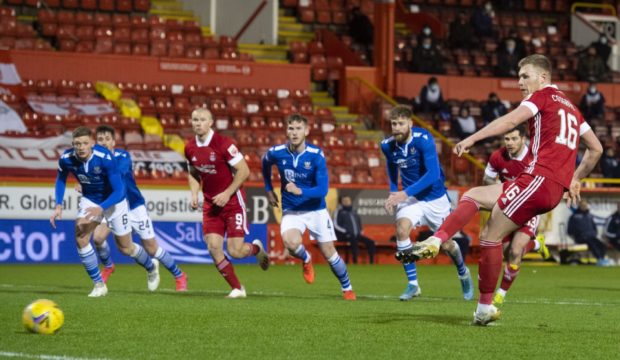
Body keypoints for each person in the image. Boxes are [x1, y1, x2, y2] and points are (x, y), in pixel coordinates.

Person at [398, 54, 603, 325]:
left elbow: (509, 121)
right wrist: (575, 178)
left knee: (490, 236)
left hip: (538, 180)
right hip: (545, 185)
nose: (520, 82)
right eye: (518, 77)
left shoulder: (540, 97)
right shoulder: (573, 109)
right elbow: (596, 148)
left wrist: (472, 138)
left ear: (542, 78)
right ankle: (438, 240)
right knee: (473, 195)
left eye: (524, 76)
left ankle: (483, 307)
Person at [50, 126, 160, 297]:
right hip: (91, 199)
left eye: (85, 143)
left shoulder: (105, 158)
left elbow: (119, 191)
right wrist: (58, 205)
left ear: (92, 143)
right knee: (81, 235)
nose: (81, 147)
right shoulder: (66, 158)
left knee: (125, 247)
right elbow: (61, 178)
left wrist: (101, 208)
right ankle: (99, 284)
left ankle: (151, 267)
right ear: (73, 144)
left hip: (114, 202)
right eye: (77, 144)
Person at [381, 105, 474, 301]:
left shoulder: (423, 139)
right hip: (412, 199)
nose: (396, 128)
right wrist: (392, 190)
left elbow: (432, 175)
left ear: (410, 124)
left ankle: (463, 271)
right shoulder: (387, 145)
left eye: (400, 123)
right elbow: (391, 165)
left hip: (435, 198)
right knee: (401, 229)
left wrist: (402, 193)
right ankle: (413, 284)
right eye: (393, 124)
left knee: (447, 245)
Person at [262, 113, 356, 300]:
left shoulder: (315, 155)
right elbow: (265, 163)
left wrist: (300, 191)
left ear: (306, 131)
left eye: (298, 129)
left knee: (329, 252)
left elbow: (322, 190)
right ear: (286, 130)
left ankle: (347, 288)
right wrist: (268, 189)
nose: (294, 132)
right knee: (290, 243)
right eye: (291, 128)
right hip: (292, 210)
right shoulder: (276, 152)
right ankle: (306, 259)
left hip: (316, 210)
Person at [185, 108, 269, 299]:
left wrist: (226, 193)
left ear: (210, 122)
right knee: (213, 246)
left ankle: (256, 249)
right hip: (210, 203)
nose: (198, 123)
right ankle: (238, 288)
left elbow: (244, 171)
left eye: (202, 119)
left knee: (235, 251)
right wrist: (194, 195)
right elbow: (193, 172)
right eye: (195, 119)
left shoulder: (224, 144)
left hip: (232, 202)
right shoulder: (189, 147)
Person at [91, 125, 187, 291]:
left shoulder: (123, 156)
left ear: (113, 142)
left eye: (107, 139)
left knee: (152, 248)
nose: (104, 142)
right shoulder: (93, 162)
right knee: (99, 238)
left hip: (134, 206)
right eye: (100, 140)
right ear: (96, 142)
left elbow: (117, 175)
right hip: (113, 206)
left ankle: (179, 275)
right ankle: (108, 267)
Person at [482, 125, 551, 305]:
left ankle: (501, 294)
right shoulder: (497, 157)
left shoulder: (534, 157)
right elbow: (487, 179)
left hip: (530, 208)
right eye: (507, 139)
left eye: (514, 139)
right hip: (508, 208)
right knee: (507, 252)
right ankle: (536, 244)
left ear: (523, 139)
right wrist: (501, 188)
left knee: (514, 251)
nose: (510, 143)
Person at [333, 195, 377, 264]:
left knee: (371, 242)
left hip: (357, 234)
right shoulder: (339, 211)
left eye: (348, 200)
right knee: (354, 241)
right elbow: (335, 224)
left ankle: (372, 262)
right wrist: (345, 231)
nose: (347, 202)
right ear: (342, 202)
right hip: (344, 235)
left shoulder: (354, 211)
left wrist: (361, 230)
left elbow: (359, 221)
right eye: (345, 201)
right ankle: (355, 261)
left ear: (350, 201)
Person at [568, 199, 610, 266]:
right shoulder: (574, 216)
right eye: (583, 205)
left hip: (591, 237)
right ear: (579, 206)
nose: (584, 207)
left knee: (601, 244)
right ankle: (599, 259)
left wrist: (594, 233)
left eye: (585, 205)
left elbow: (594, 227)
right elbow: (570, 230)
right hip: (581, 238)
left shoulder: (589, 216)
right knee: (592, 243)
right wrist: (578, 234)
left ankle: (602, 258)